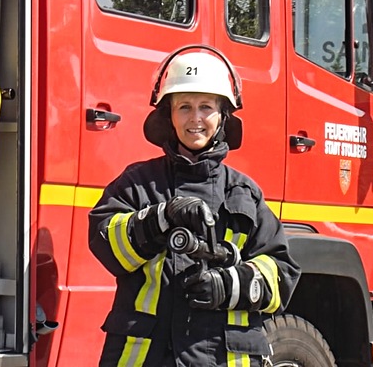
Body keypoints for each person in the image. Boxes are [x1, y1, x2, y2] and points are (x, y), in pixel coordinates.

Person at [88, 45, 301, 367]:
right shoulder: (137, 184)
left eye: (206, 107)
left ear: (223, 116)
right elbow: (106, 245)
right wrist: (161, 217)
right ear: (169, 116)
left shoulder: (244, 193)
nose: (196, 118)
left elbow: (281, 275)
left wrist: (226, 286)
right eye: (184, 107)